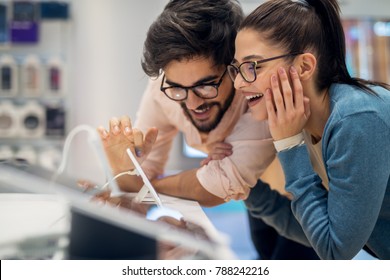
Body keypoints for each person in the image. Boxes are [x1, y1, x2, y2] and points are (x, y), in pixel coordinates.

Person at [97, 0, 318, 259]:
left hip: (304, 193)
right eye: (178, 88)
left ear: (235, 69)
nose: (192, 103)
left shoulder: (256, 93)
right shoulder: (162, 89)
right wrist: (122, 166)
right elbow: (138, 178)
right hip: (257, 194)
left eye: (205, 85)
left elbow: (215, 188)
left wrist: (147, 185)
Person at [228, 0, 390, 259]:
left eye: (253, 67)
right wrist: (253, 194)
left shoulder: (356, 119)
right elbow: (321, 233)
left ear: (304, 67)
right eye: (236, 69)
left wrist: (289, 144)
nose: (238, 83)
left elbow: (335, 250)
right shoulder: (306, 121)